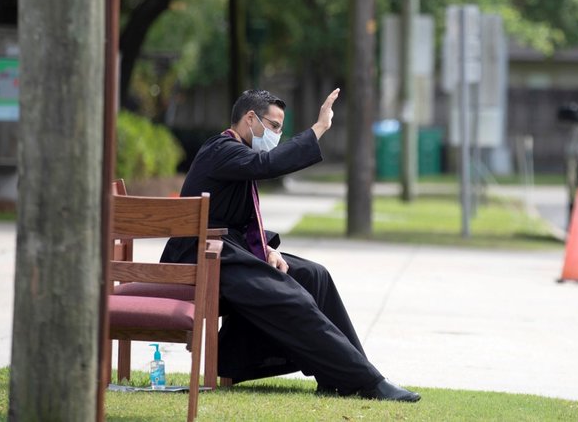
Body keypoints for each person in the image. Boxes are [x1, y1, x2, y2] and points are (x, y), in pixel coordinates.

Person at [160, 88, 420, 402]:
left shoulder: (236, 154)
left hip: (228, 251)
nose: (277, 135)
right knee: (292, 295)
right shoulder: (221, 149)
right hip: (202, 255)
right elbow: (267, 164)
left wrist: (268, 250)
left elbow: (242, 222)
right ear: (250, 118)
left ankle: (341, 374)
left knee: (314, 275)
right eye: (273, 126)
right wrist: (319, 128)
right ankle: (367, 382)